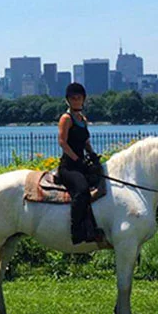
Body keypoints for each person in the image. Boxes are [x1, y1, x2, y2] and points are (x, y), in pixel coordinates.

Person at [57, 82, 100, 244]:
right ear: (68, 100)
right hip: (69, 166)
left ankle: (93, 225)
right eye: (73, 98)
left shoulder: (83, 119)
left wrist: (92, 155)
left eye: (79, 98)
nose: (76, 101)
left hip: (82, 162)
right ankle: (76, 231)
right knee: (82, 190)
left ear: (83, 99)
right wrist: (76, 159)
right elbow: (62, 142)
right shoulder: (66, 119)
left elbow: (86, 142)